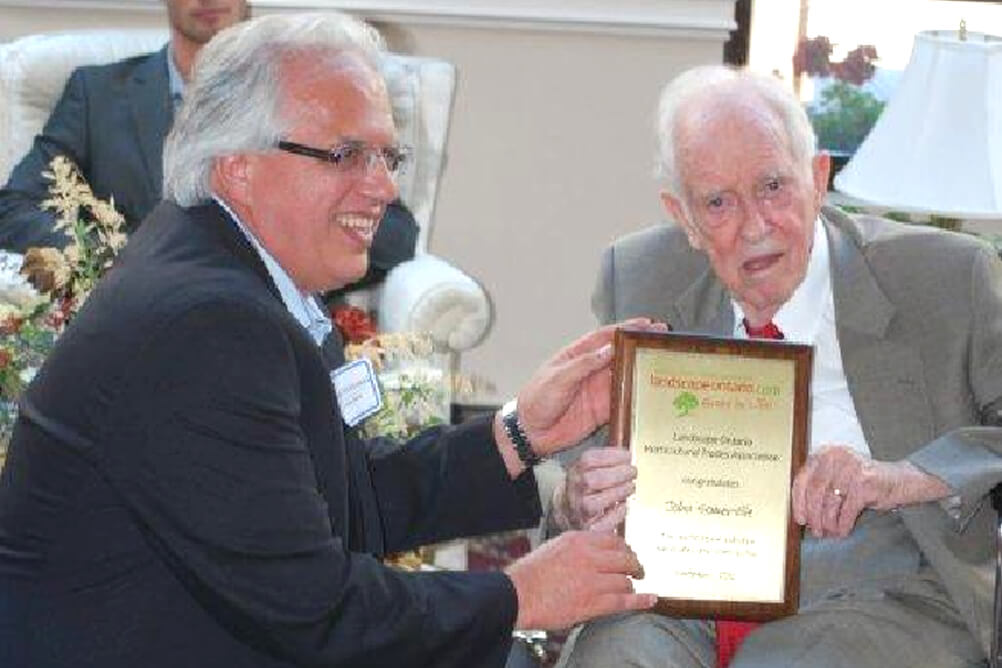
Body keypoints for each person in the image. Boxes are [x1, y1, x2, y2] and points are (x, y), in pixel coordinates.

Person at [0, 12, 661, 668]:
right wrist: (519, 593)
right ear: (238, 167)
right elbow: (313, 612)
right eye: (346, 155)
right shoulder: (206, 323)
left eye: (387, 155)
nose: (384, 187)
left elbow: (340, 496)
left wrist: (519, 433)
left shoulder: (228, 268)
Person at [552, 64, 1002, 668]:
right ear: (682, 216)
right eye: (717, 203)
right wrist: (576, 498)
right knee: (614, 655)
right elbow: (568, 460)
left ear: (818, 178)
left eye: (773, 187)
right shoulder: (636, 277)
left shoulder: (946, 276)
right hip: (688, 588)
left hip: (887, 584)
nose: (755, 227)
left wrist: (902, 475)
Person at [0, 0, 419, 292]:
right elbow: (15, 207)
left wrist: (281, 255)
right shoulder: (97, 95)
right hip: (129, 312)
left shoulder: (311, 99)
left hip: (278, 325)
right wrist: (115, 254)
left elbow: (396, 233)